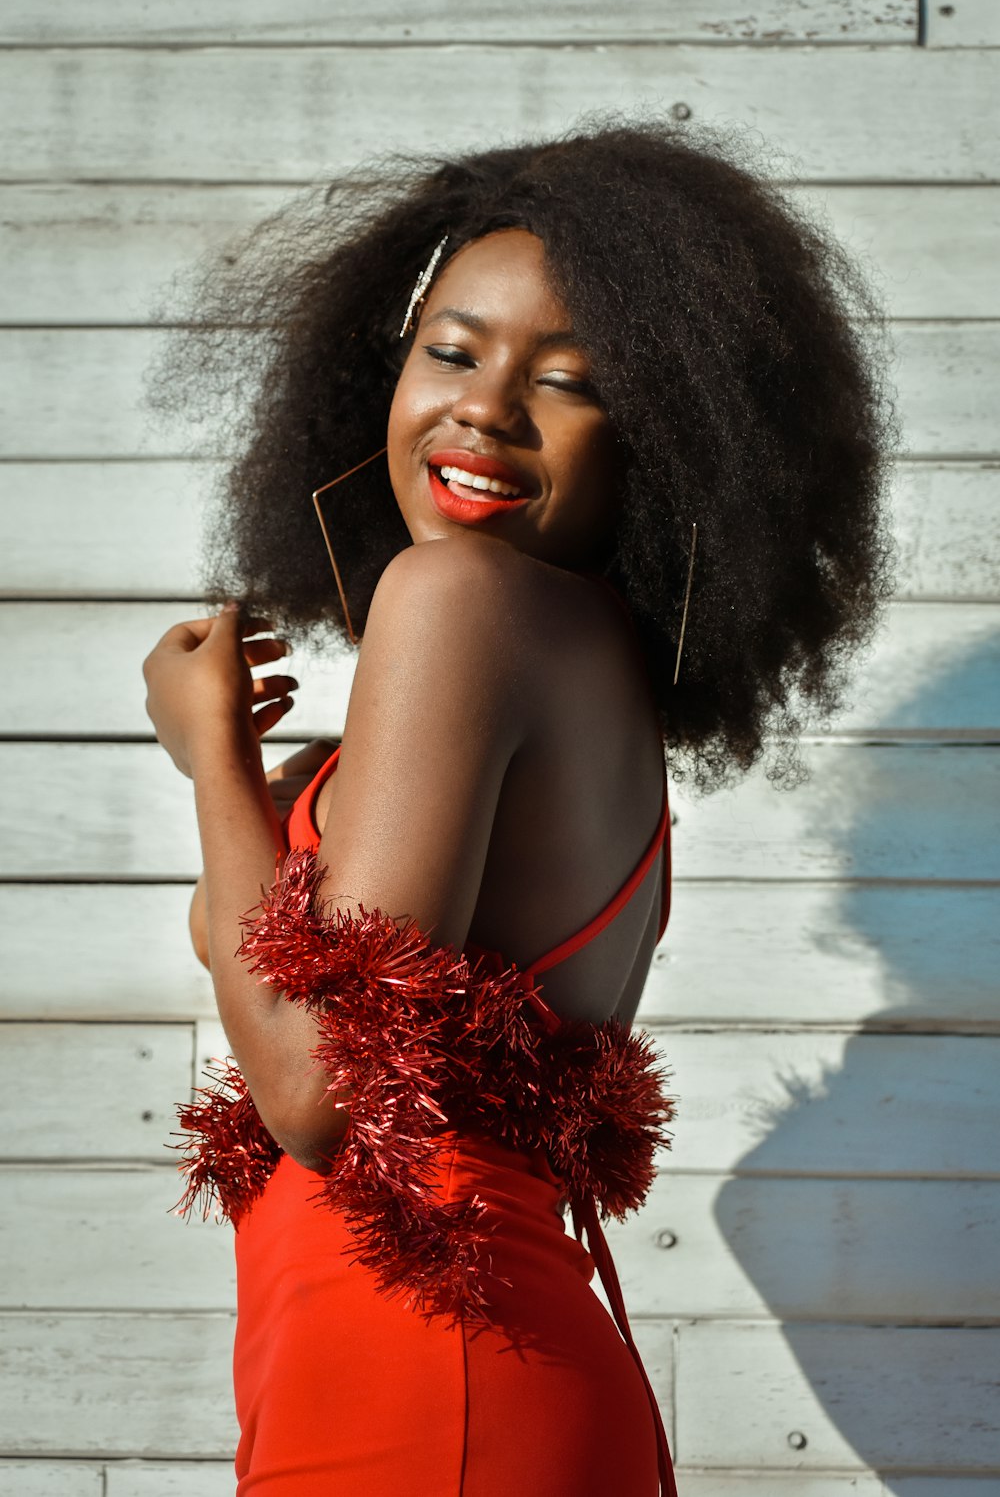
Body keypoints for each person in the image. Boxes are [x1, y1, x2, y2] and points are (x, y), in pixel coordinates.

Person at [142, 119, 893, 1497]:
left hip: (426, 1378)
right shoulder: (592, 673)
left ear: (662, 441)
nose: (485, 408)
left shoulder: (460, 602)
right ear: (384, 362)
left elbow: (322, 1093)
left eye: (570, 382)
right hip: (434, 1372)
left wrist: (218, 776)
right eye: (452, 349)